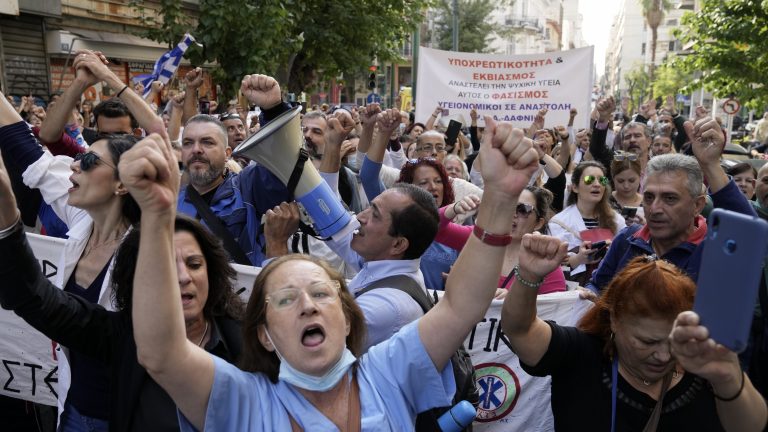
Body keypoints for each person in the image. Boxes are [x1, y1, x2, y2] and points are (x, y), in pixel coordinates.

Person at [121, 112, 540, 431]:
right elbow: (159, 353)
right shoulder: (242, 401)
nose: (307, 305)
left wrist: (500, 200)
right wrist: (158, 215)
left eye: (322, 294)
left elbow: (462, 304)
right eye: (285, 299)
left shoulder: (388, 372)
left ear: (347, 316)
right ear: (264, 334)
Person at [0, 169, 244, 432]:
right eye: (165, 265)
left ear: (212, 272)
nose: (184, 277)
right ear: (140, 279)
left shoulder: (248, 338)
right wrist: (7, 215)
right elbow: (32, 296)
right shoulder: (123, 337)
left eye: (194, 264)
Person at [0, 52, 165, 428]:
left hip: (122, 414)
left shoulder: (149, 249)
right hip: (72, 406)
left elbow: (158, 136)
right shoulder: (81, 218)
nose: (74, 164)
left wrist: (108, 75)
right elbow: (30, 153)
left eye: (89, 162)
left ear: (124, 183)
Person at [500, 241, 768, 431]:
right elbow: (521, 330)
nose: (664, 355)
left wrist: (729, 377)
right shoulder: (581, 354)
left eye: (674, 340)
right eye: (647, 341)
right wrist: (528, 277)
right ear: (615, 319)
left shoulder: (703, 365)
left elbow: (752, 426)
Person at [586, 117, 758, 294]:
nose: (655, 208)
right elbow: (597, 287)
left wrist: (711, 164)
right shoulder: (626, 240)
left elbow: (748, 232)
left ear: (697, 205)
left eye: (670, 198)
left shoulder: (714, 251)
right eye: (649, 197)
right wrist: (587, 297)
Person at [176, 74, 292, 266]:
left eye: (207, 142)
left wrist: (273, 110)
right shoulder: (169, 204)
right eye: (188, 143)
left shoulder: (247, 188)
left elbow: (282, 163)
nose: (196, 149)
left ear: (227, 152)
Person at [435, 185, 567, 299]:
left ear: (539, 223)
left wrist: (513, 299)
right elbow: (432, 228)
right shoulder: (481, 237)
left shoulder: (545, 261)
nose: (513, 214)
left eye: (523, 210)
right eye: (508, 207)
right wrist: (453, 209)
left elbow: (555, 310)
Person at [549, 161, 626, 283]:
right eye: (589, 179)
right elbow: (551, 268)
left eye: (602, 180)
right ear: (575, 187)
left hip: (610, 286)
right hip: (575, 290)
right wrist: (578, 259)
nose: (597, 184)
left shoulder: (617, 220)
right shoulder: (559, 223)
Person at [610, 154, 645, 224]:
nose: (626, 186)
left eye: (631, 181)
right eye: (620, 181)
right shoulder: (605, 202)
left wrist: (645, 225)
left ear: (640, 177)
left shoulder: (648, 202)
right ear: (613, 178)